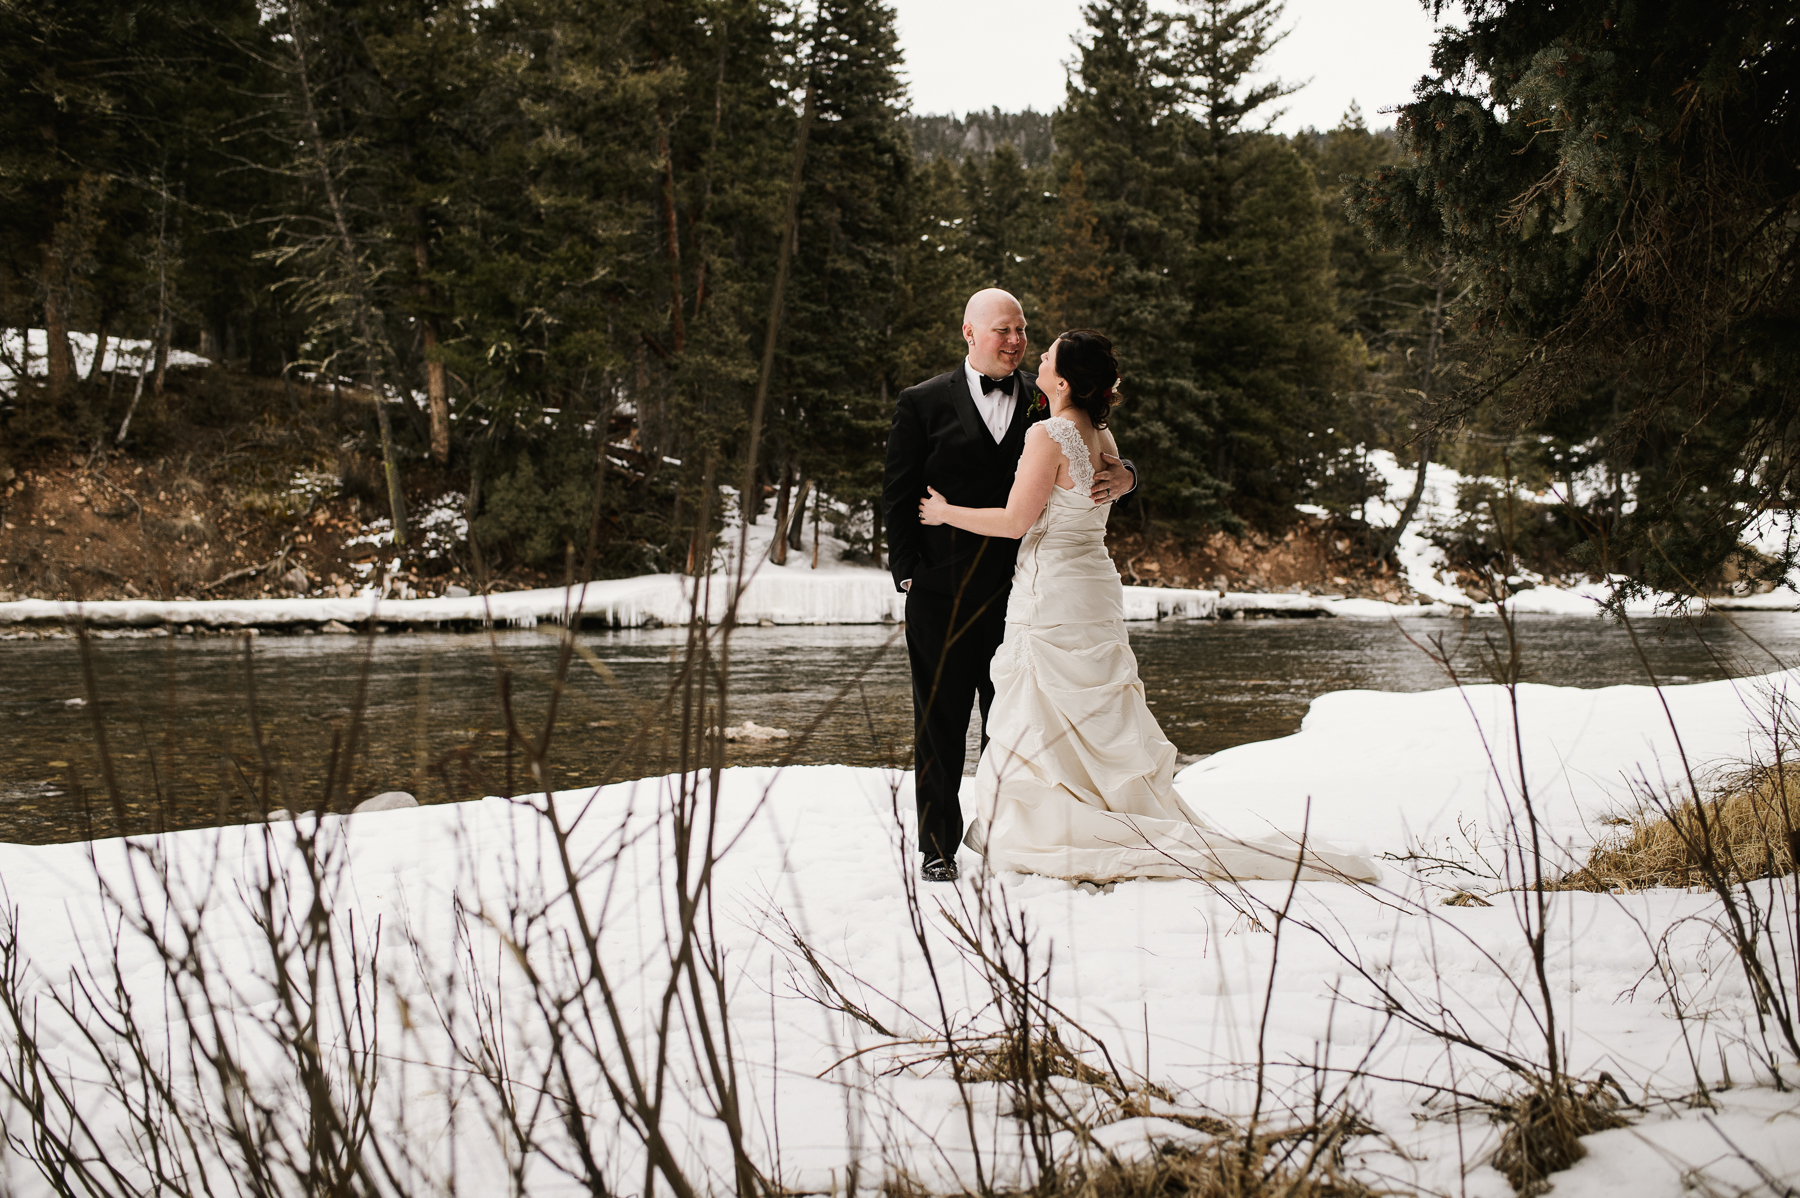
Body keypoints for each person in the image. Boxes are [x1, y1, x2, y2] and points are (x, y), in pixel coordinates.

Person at [919, 330, 1380, 884]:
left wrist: (947, 513)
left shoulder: (1048, 433)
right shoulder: (1102, 434)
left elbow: (1017, 522)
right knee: (1094, 706)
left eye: (1048, 356)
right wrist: (1132, 473)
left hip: (1052, 591)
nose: (1037, 355)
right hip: (1092, 584)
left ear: (1062, 381)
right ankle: (1106, 805)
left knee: (1046, 707)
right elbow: (1107, 478)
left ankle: (1059, 823)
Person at [882, 290, 1138, 882]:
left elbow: (1093, 452)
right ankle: (937, 847)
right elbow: (898, 493)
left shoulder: (1045, 402)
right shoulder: (920, 403)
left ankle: (1015, 836)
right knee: (939, 722)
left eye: (1022, 330)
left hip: (1023, 593)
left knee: (1018, 725)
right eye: (1003, 330)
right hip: (940, 593)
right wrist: (908, 573)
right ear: (969, 333)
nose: (1016, 341)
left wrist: (1130, 475)